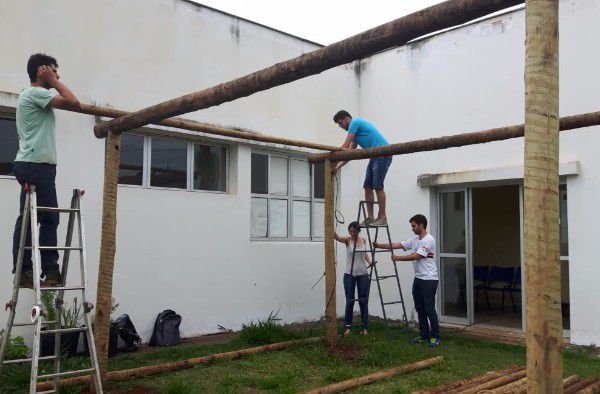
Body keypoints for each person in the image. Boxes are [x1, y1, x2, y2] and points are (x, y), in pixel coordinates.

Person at [12, 53, 80, 288]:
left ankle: (25, 270)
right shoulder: (36, 93)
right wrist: (54, 81)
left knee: (31, 217)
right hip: (35, 165)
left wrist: (52, 79)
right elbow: (74, 103)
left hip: (35, 165)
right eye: (54, 71)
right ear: (42, 70)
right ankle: (48, 272)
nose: (57, 75)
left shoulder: (34, 96)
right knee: (48, 217)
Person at [374, 214, 440, 347]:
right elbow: (399, 244)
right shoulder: (415, 239)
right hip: (419, 279)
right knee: (420, 308)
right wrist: (379, 245)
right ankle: (423, 336)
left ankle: (435, 337)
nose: (412, 228)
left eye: (413, 226)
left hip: (429, 279)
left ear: (421, 225)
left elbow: (417, 256)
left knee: (429, 309)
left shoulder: (428, 239)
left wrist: (398, 258)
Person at [331, 110, 391, 227]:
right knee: (367, 186)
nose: (341, 126)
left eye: (341, 123)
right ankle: (370, 217)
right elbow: (350, 153)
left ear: (347, 118)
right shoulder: (356, 135)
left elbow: (345, 146)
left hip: (383, 153)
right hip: (374, 156)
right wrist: (337, 167)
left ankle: (382, 217)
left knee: (378, 185)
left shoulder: (355, 122)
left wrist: (333, 158)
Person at [334, 221, 372, 335]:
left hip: (363, 274)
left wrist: (370, 262)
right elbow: (337, 237)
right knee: (350, 301)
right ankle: (348, 327)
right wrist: (331, 227)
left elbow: (364, 253)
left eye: (354, 232)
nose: (352, 234)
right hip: (349, 275)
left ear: (358, 231)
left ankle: (365, 328)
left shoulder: (363, 240)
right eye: (350, 231)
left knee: (363, 301)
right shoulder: (347, 240)